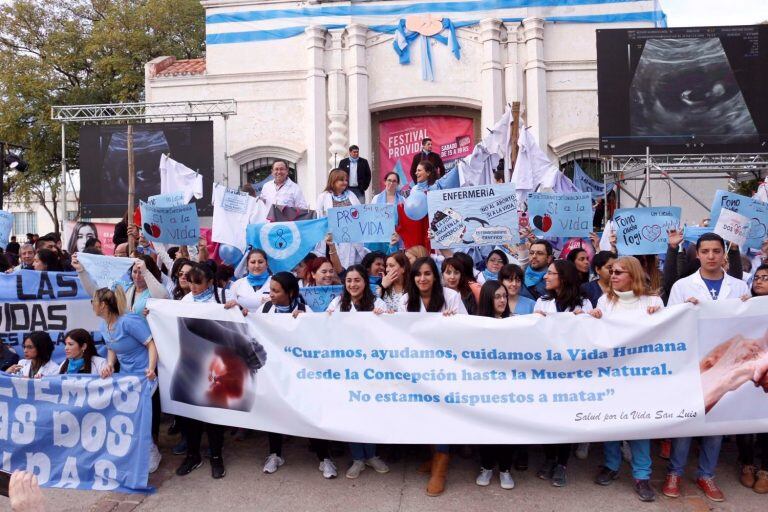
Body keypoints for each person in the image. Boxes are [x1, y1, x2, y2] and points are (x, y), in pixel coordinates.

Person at [663, 233, 750, 503]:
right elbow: (670, 325)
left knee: (716, 421)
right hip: (692, 362)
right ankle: (675, 471)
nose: (711, 256)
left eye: (716, 251)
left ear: (724, 253)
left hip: (725, 364)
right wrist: (684, 311)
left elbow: (749, 325)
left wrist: (749, 308)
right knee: (688, 419)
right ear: (697, 254)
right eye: (705, 251)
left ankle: (706, 473)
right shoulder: (682, 286)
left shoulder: (739, 287)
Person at [588, 256, 663, 502]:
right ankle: (612, 465)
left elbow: (666, 335)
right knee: (611, 421)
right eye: (612, 271)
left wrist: (659, 316)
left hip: (641, 376)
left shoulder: (652, 301)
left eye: (619, 272)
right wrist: (593, 316)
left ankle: (642, 476)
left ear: (633, 275)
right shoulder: (604, 301)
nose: (613, 276)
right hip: (611, 374)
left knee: (639, 425)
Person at [256, 272, 340, 479]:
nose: (271, 295)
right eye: (270, 290)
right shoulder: (265, 309)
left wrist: (304, 322)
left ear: (291, 292)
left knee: (309, 414)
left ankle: (324, 458)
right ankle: (275, 454)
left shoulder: (305, 311)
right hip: (274, 373)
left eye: (276, 291)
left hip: (301, 374)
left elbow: (316, 339)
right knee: (275, 414)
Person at [401, 257, 467, 497]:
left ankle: (441, 465)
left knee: (442, 413)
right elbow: (394, 331)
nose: (422, 279)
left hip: (446, 368)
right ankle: (433, 455)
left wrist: (455, 322)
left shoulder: (451, 297)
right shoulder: (406, 300)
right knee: (426, 414)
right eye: (418, 274)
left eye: (427, 273)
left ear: (435, 276)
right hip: (417, 369)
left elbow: (469, 329)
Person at [175, 263, 242, 479]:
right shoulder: (185, 301)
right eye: (191, 282)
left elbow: (241, 319)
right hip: (192, 363)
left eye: (198, 282)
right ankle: (193, 455)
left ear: (210, 282)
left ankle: (216, 456)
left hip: (218, 364)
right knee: (190, 413)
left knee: (214, 414)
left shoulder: (224, 296)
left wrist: (236, 307)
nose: (193, 287)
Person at [326, 265, 390, 479]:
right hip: (346, 369)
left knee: (370, 411)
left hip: (372, 368)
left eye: (357, 280)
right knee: (351, 412)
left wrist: (385, 316)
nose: (353, 284)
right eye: (349, 281)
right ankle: (357, 458)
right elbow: (323, 329)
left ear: (365, 282)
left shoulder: (377, 303)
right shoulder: (336, 304)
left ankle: (371, 455)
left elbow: (391, 330)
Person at [533, 259, 592, 487]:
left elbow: (591, 334)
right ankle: (549, 459)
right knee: (548, 418)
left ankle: (562, 464)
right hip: (547, 372)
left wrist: (586, 319)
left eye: (550, 273)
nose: (545, 277)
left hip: (572, 372)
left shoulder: (583, 303)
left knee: (566, 419)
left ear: (563, 277)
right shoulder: (542, 302)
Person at [92, 287, 161, 473]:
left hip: (145, 376)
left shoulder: (129, 321)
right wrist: (109, 365)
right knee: (129, 417)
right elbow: (112, 347)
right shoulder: (103, 326)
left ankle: (152, 453)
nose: (92, 305)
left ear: (103, 305)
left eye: (94, 301)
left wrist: (151, 368)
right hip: (127, 378)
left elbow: (151, 343)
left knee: (142, 417)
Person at [473, 280, 516, 491]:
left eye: (504, 296)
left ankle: (506, 469)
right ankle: (486, 466)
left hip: (509, 388)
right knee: (487, 428)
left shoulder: (515, 322)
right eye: (497, 296)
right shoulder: (476, 324)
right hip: (485, 387)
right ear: (488, 299)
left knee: (507, 428)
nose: (502, 300)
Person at [737, 263, 768, 494]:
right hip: (747, 370)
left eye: (765, 277)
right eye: (757, 277)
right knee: (744, 420)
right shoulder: (743, 305)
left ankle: (765, 470)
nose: (759, 281)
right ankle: (747, 464)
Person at [315, 169, 368, 268]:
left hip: (350, 237)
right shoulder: (323, 197)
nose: (345, 183)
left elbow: (360, 213)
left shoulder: (351, 195)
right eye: (342, 180)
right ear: (333, 181)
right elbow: (319, 217)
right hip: (333, 238)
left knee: (351, 263)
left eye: (346, 180)